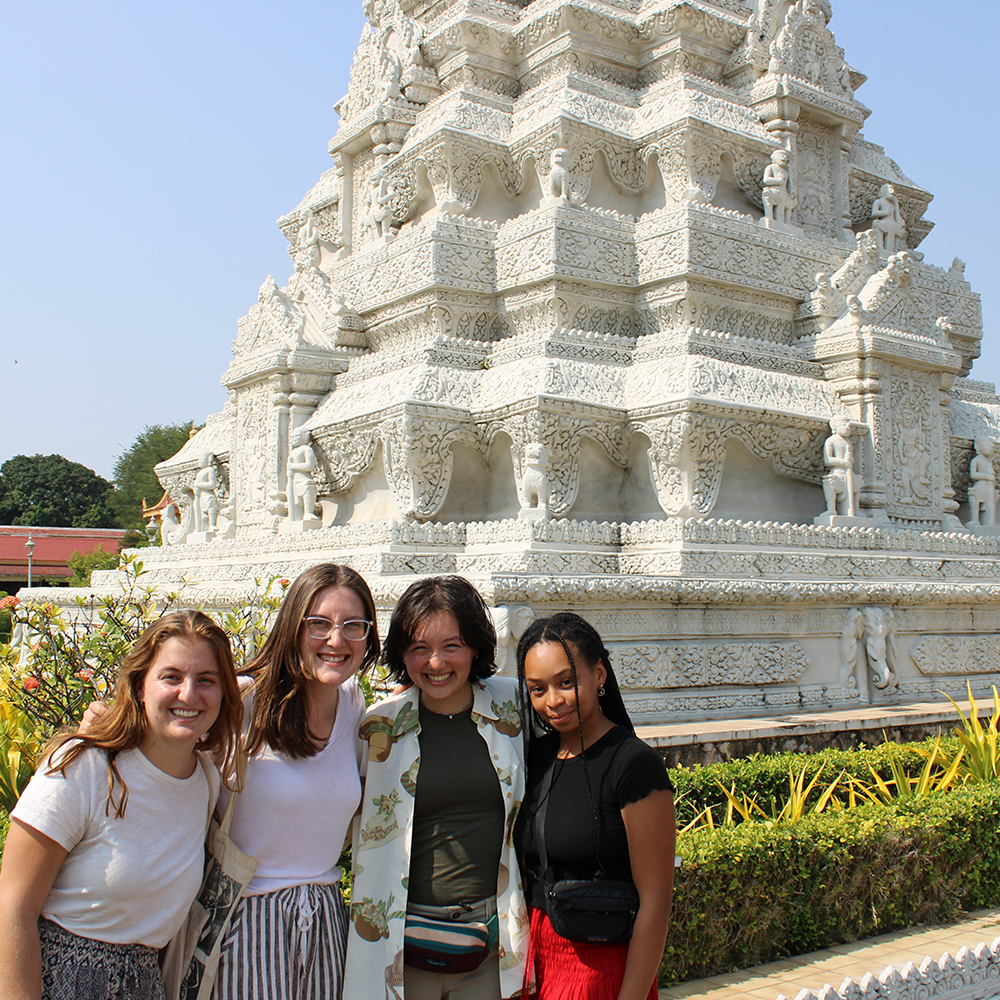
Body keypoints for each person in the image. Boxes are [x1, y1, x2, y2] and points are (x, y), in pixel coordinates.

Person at [0, 611, 244, 1000]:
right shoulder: (85, 767)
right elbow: (12, 907)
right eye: (171, 677)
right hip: (60, 979)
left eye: (207, 680)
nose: (189, 694)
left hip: (145, 982)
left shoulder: (204, 781)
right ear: (140, 685)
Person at [342, 575, 528, 1000]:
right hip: (401, 948)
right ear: (402, 654)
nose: (436, 663)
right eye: (419, 649)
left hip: (490, 945)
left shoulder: (514, 708)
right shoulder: (379, 726)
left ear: (477, 647)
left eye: (452, 646)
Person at [211, 563, 380, 1000]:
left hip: (324, 917)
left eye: (353, 626)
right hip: (245, 920)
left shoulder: (354, 704)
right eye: (319, 624)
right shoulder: (242, 701)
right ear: (292, 626)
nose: (336, 640)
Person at [514, 612, 675, 1000]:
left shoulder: (633, 764)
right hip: (532, 963)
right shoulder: (535, 756)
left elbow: (656, 903)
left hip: (599, 970)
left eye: (567, 683)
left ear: (599, 675)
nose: (553, 701)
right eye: (537, 689)